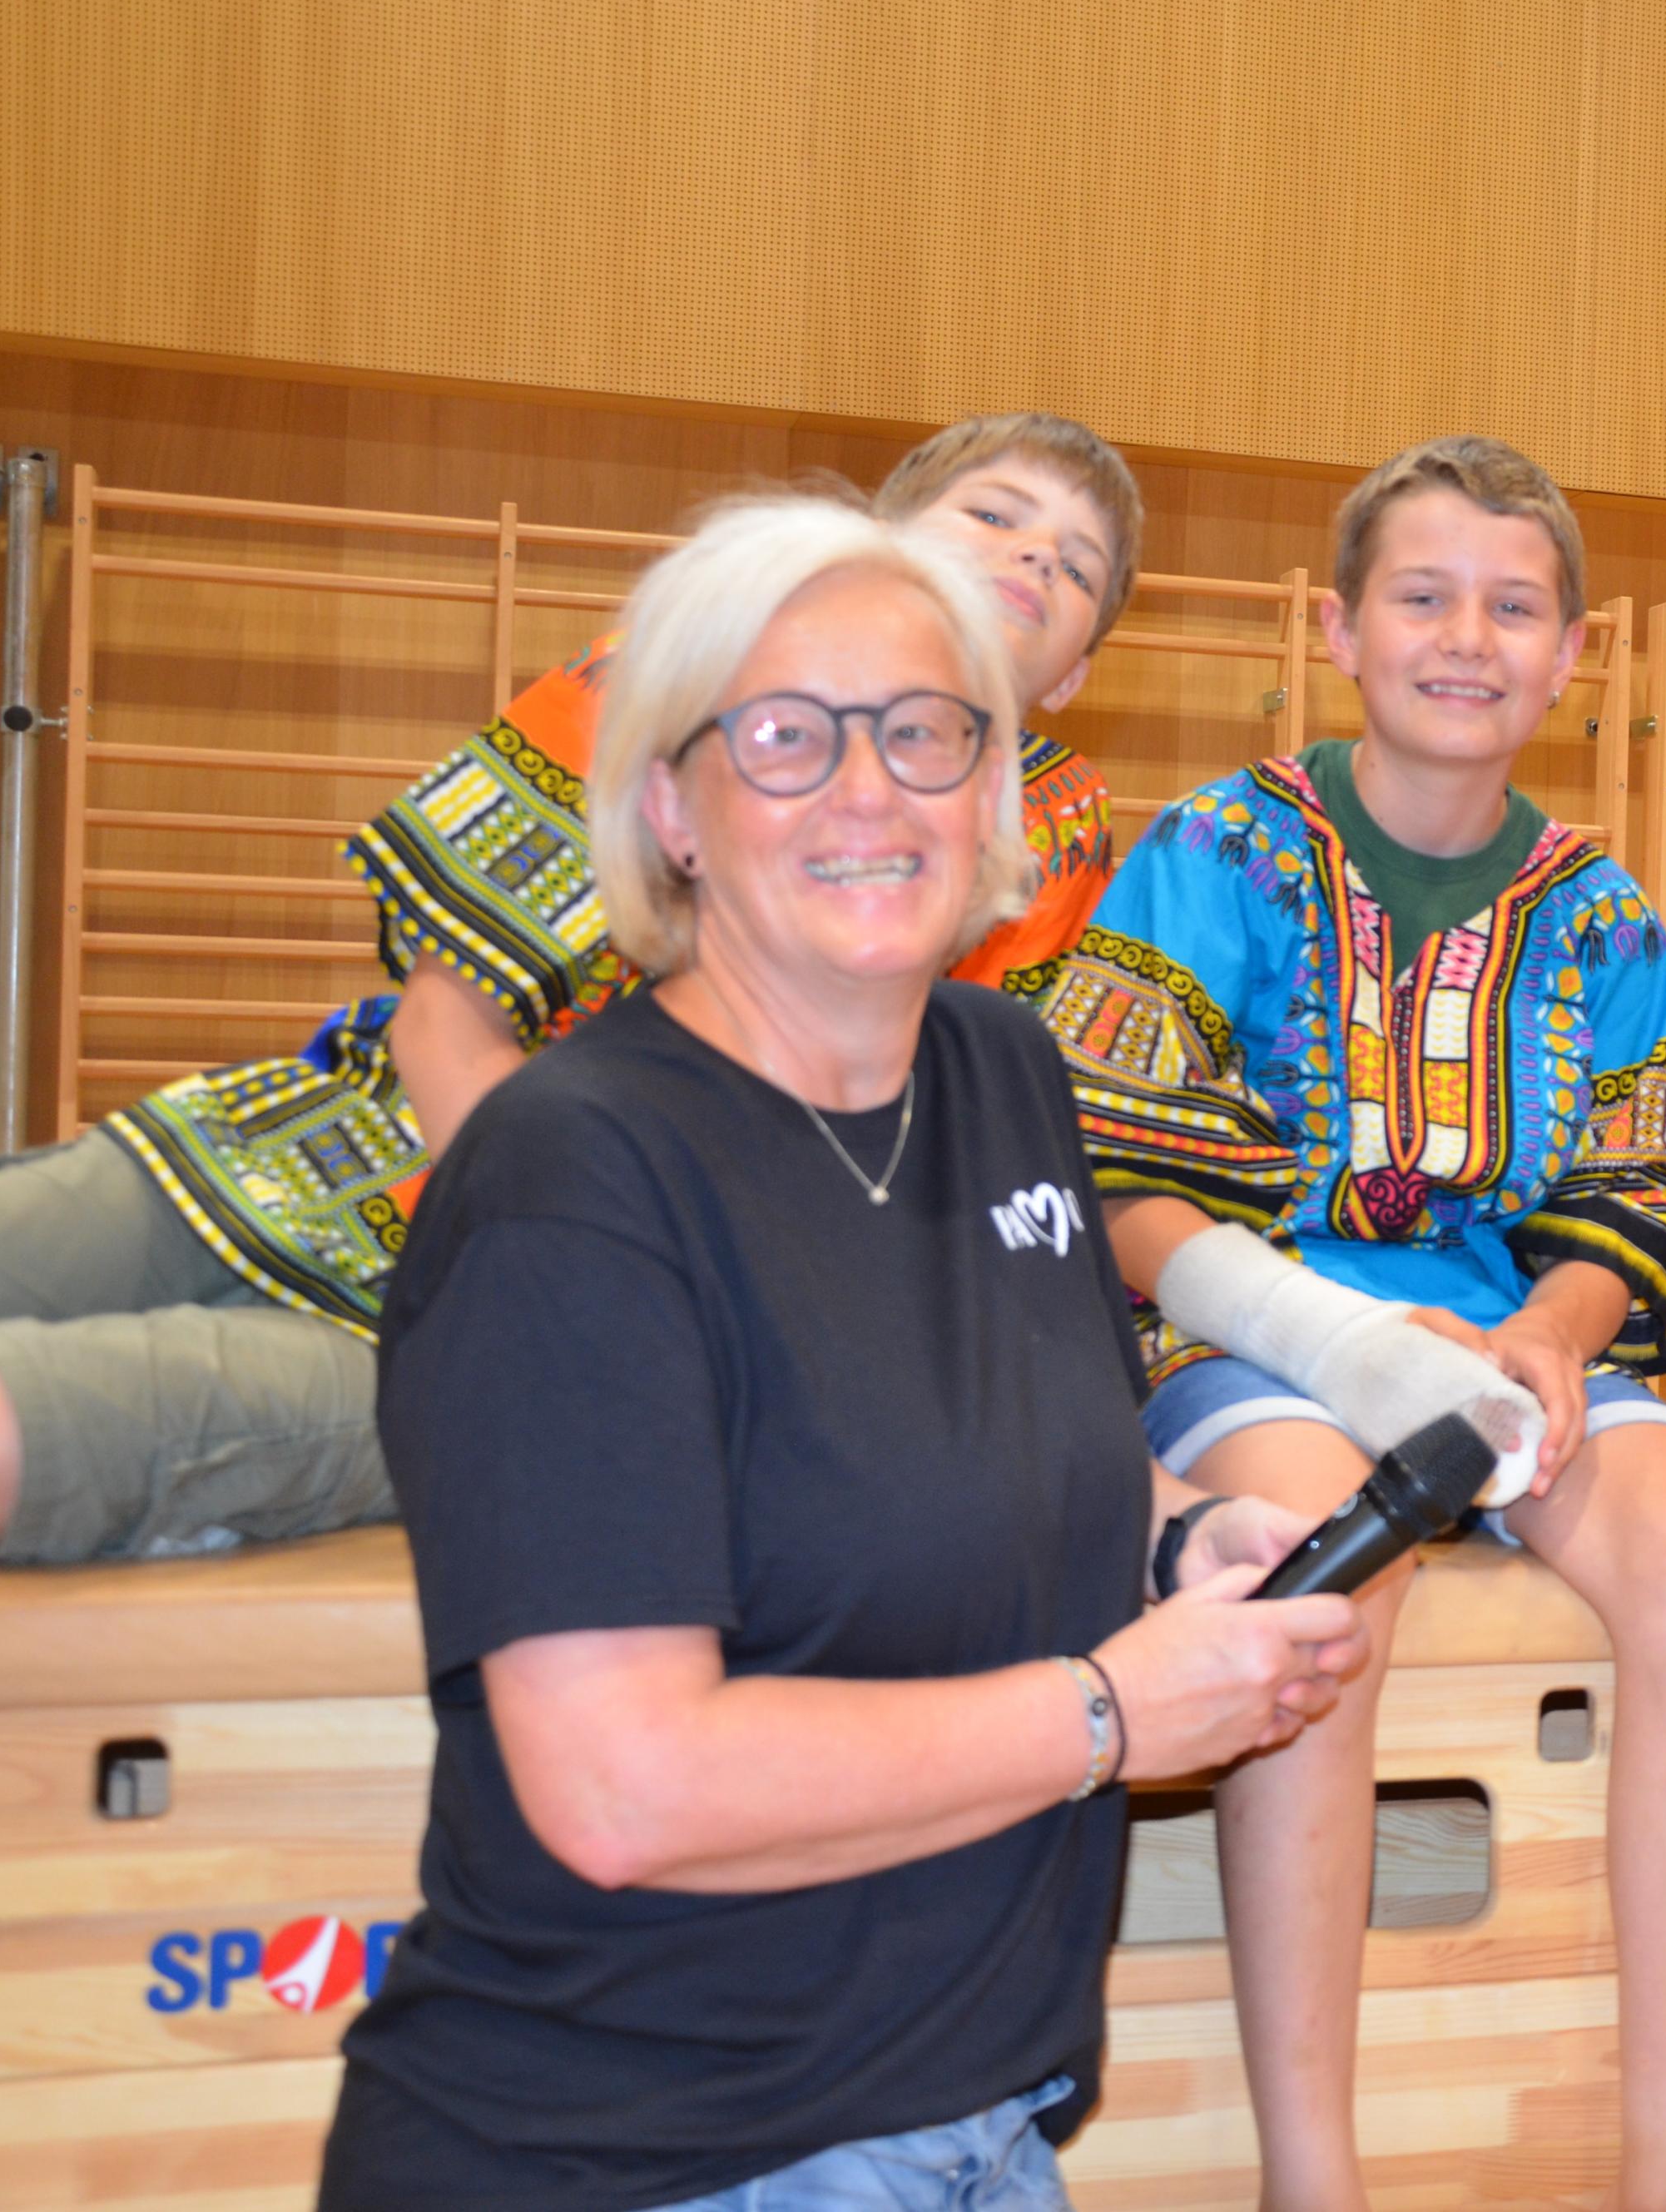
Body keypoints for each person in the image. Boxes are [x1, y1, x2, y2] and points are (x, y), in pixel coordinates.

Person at [318, 494, 1361, 2212]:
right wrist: (1108, 1714)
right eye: (788, 737)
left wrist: (1183, 1538)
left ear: (994, 787)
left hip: (981, 2134)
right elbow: (623, 1787)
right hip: (648, 2162)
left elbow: (1024, 1454)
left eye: (926, 733)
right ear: (672, 808)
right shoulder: (571, 1176)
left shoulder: (1003, 1071)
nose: (870, 791)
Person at [0, 411, 1134, 1565]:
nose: (1034, 558)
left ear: (1072, 677)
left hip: (515, 1332)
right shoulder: (669, 673)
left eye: (1078, 568)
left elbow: (942, 1181)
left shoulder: (1055, 837)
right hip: (324, 1161)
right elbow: (446, 1018)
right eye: (995, 514)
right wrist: (572, 1263)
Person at [1039, 436, 1666, 2212]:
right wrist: (1340, 1347)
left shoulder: (1601, 909)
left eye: (1513, 607)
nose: (1466, 637)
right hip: (1248, 1339)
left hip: (1512, 1347)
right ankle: (1313, 2178)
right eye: (1423, 596)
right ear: (1338, 627)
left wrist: (1552, 1335)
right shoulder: (1215, 847)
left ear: (1572, 655)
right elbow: (1114, 1182)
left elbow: (1639, 1193)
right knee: (1321, 1559)